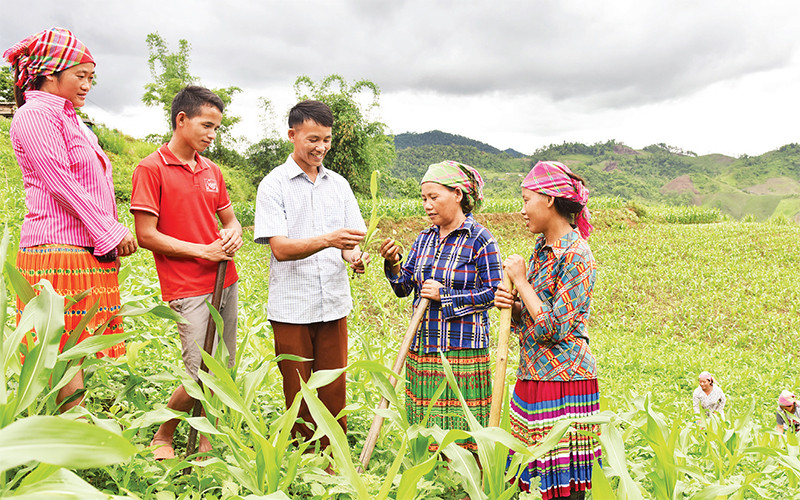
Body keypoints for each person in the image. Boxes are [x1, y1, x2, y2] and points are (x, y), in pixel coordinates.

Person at [4, 27, 137, 412]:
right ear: (50, 73)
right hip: (55, 249)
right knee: (61, 349)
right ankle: (70, 431)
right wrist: (109, 230)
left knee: (75, 348)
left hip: (79, 248)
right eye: (80, 76)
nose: (87, 85)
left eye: (91, 78)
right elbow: (61, 182)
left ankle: (69, 430)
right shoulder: (33, 116)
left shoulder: (72, 121)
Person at [130, 86, 243, 459]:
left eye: (216, 128)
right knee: (198, 372)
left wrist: (233, 234)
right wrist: (203, 251)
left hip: (224, 279)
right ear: (182, 119)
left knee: (221, 367)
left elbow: (230, 220)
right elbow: (146, 235)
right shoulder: (150, 169)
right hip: (187, 286)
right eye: (206, 125)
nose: (212, 135)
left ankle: (205, 439)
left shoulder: (212, 170)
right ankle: (163, 435)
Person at [253, 100, 368, 451]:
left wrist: (354, 256)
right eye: (313, 139)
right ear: (293, 135)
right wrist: (329, 240)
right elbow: (280, 248)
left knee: (334, 386)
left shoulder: (339, 185)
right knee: (298, 389)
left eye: (327, 140)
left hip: (333, 302)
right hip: (292, 306)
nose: (321, 147)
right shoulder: (274, 185)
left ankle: (334, 454)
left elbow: (350, 242)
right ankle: (304, 458)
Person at [495, 161, 600, 500]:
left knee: (563, 488)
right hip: (533, 374)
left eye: (526, 200)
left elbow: (554, 327)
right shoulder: (541, 250)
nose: (522, 210)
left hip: (564, 381)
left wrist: (522, 282)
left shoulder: (577, 254)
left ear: (550, 199)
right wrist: (513, 307)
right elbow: (532, 316)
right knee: (527, 479)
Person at [379, 161, 502, 450]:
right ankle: (429, 475)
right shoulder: (424, 239)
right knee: (426, 430)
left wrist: (445, 296)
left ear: (457, 194)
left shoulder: (480, 239)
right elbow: (403, 286)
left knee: (463, 433)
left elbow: (495, 293)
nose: (427, 205)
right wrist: (393, 263)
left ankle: (468, 478)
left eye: (434, 197)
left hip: (462, 350)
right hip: (423, 347)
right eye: (424, 198)